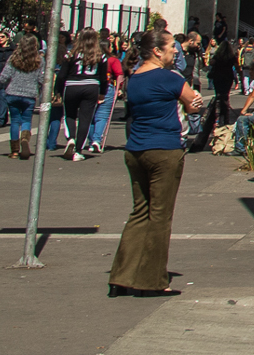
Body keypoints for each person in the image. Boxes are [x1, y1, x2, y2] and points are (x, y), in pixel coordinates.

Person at [108, 28, 206, 297]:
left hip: (136, 149)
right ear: (157, 51)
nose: (176, 50)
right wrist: (193, 102)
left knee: (139, 212)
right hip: (165, 150)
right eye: (171, 46)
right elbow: (193, 105)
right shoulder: (170, 78)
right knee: (161, 216)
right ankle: (152, 280)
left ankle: (121, 276)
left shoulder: (135, 78)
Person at [58, 32, 110, 160]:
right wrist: (102, 92)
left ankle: (71, 138)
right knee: (85, 119)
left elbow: (61, 75)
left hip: (71, 85)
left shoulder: (71, 54)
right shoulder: (101, 56)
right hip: (91, 86)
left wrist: (58, 91)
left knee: (69, 114)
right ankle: (78, 151)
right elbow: (104, 78)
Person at [0, 34, 44, 157]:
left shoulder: (13, 58)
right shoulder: (39, 60)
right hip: (29, 95)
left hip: (12, 93)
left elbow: (3, 77)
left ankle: (14, 150)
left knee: (14, 121)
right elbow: (42, 79)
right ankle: (24, 139)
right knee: (26, 120)